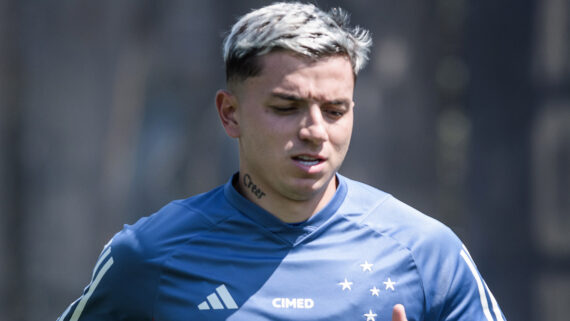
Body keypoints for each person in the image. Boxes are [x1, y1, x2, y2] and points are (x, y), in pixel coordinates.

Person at [58, 2, 507, 321]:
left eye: (334, 111)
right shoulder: (147, 256)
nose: (315, 131)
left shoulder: (427, 254)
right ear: (229, 113)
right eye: (286, 107)